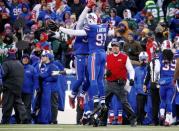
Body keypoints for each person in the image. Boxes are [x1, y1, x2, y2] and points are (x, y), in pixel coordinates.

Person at [103, 41, 137, 126]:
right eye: (113, 46)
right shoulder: (108, 57)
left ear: (119, 47)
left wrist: (132, 79)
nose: (115, 48)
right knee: (105, 102)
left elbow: (131, 70)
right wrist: (106, 73)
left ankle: (133, 119)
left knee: (124, 102)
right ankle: (103, 120)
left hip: (120, 84)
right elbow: (104, 70)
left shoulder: (124, 57)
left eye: (116, 46)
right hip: (109, 83)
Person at [1, 49, 28, 124]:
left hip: (9, 87)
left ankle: (5, 121)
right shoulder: (20, 64)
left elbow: (3, 74)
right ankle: (24, 118)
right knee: (19, 103)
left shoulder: (6, 64)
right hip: (18, 87)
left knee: (7, 104)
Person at [37, 50, 58, 124]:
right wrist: (46, 76)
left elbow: (55, 78)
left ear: (48, 56)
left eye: (43, 56)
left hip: (53, 89)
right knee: (46, 105)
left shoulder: (53, 66)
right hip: (46, 89)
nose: (41, 57)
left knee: (53, 105)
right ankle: (47, 119)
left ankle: (53, 120)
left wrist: (45, 78)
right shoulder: (44, 66)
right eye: (41, 56)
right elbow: (40, 75)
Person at [21, 54, 39, 123]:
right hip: (19, 90)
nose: (25, 59)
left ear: (28, 60)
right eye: (24, 58)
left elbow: (36, 79)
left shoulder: (32, 68)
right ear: (21, 59)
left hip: (29, 91)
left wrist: (36, 88)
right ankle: (19, 119)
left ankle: (27, 120)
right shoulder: (19, 67)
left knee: (27, 106)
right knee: (18, 106)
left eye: (26, 58)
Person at [134, 51, 149, 125]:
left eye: (144, 59)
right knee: (139, 108)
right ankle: (139, 121)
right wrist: (137, 88)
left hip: (148, 91)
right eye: (142, 59)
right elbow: (134, 80)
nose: (143, 60)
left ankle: (149, 120)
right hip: (140, 91)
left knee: (149, 108)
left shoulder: (149, 68)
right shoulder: (136, 69)